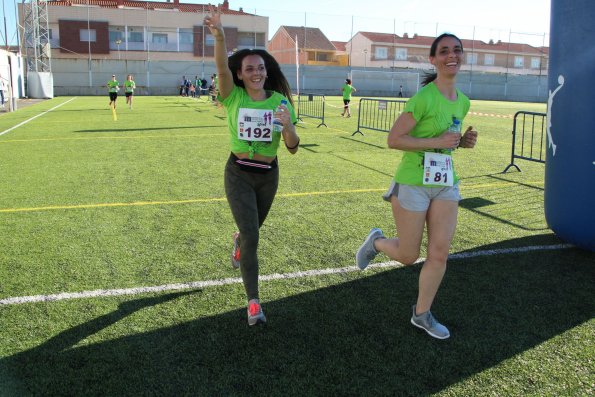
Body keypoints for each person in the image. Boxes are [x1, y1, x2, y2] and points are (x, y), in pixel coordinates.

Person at [355, 33, 478, 340]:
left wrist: (462, 142)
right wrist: (438, 142)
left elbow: (447, 141)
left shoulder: (462, 101)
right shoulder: (423, 98)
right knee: (409, 255)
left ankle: (421, 314)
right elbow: (394, 139)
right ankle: (377, 242)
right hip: (413, 182)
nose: (452, 55)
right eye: (445, 51)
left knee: (439, 253)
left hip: (445, 182)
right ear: (433, 59)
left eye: (457, 50)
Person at [204, 5, 300, 326]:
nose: (256, 72)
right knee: (252, 236)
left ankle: (238, 242)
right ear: (241, 74)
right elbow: (220, 70)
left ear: (266, 71)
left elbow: (293, 148)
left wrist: (287, 127)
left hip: (268, 177)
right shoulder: (233, 96)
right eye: (249, 68)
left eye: (260, 67)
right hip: (238, 174)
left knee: (250, 232)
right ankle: (254, 302)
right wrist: (219, 37)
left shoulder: (280, 102)